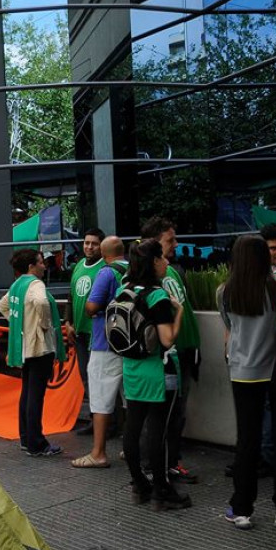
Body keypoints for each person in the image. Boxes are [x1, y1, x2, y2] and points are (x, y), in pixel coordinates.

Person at [218, 235, 276, 530]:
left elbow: (229, 327)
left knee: (247, 440)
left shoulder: (225, 291)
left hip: (242, 371)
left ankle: (241, 509)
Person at [118, 239, 191, 510]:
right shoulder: (157, 297)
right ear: (153, 263)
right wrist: (179, 312)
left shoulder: (124, 288)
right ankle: (162, 489)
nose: (167, 262)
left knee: (133, 427)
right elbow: (168, 339)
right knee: (158, 431)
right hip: (158, 371)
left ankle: (139, 484)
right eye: (162, 258)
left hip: (132, 369)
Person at [141, 217, 200, 484]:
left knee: (177, 413)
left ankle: (170, 463)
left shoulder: (171, 271)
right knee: (164, 415)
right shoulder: (149, 281)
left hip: (184, 352)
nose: (175, 245)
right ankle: (158, 467)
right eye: (170, 240)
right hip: (167, 357)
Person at [0, 248, 64, 457]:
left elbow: (3, 306)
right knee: (35, 395)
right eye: (41, 262)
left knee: (27, 392)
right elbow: (41, 302)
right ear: (31, 266)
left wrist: (20, 323)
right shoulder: (35, 284)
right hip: (39, 347)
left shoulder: (17, 285)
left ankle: (26, 439)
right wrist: (43, 324)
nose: (44, 266)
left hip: (24, 346)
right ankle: (37, 443)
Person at [72, 235, 126, 469]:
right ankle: (132, 446)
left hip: (105, 342)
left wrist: (92, 310)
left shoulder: (106, 273)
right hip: (131, 344)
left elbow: (91, 307)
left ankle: (98, 452)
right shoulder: (134, 269)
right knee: (129, 399)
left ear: (104, 255)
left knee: (101, 399)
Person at [69, 228, 105, 435]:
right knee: (86, 376)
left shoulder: (105, 268)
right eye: (86, 242)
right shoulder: (78, 266)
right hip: (80, 331)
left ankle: (107, 423)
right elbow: (72, 296)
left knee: (100, 378)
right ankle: (95, 419)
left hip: (97, 334)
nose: (89, 247)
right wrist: (68, 321)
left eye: (94, 243)